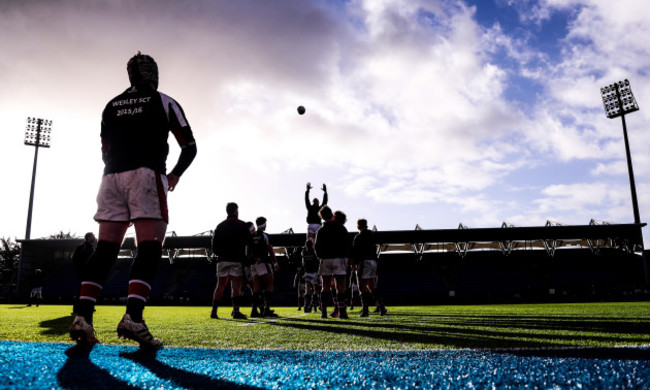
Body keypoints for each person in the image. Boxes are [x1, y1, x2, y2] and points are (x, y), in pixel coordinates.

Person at [69, 52, 197, 350]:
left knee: (104, 251)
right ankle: (133, 319)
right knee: (150, 248)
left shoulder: (111, 105)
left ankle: (82, 317)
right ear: (154, 75)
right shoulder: (165, 101)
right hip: (145, 176)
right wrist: (174, 175)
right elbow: (189, 146)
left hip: (110, 177)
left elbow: (104, 149)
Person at [211, 202, 250, 320]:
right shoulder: (242, 225)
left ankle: (214, 311)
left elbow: (214, 245)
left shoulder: (220, 225)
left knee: (220, 285)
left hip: (222, 259)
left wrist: (221, 254)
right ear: (236, 211)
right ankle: (236, 311)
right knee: (235, 286)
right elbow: (248, 243)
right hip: (236, 259)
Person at [314, 205, 350, 319]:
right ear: (332, 214)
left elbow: (317, 247)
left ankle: (323, 312)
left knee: (325, 287)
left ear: (322, 217)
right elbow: (347, 244)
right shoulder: (341, 228)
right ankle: (342, 312)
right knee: (340, 286)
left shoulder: (321, 230)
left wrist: (321, 257)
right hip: (339, 259)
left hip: (325, 260)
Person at [352, 219, 387, 317]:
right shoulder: (372, 235)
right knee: (371, 286)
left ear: (358, 226)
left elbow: (356, 251)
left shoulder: (358, 237)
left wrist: (354, 263)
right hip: (372, 262)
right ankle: (382, 307)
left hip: (363, 262)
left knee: (362, 287)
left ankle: (365, 310)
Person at [249, 216, 280, 318]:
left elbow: (248, 252)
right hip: (264, 263)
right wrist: (275, 263)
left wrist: (254, 259)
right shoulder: (265, 236)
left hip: (254, 264)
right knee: (269, 284)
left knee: (256, 288)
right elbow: (270, 250)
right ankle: (266, 309)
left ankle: (254, 310)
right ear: (264, 224)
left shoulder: (251, 236)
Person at [301, 239, 321, 313]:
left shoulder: (304, 252)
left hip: (307, 272)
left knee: (308, 289)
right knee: (316, 290)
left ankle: (306, 305)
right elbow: (318, 262)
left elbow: (303, 262)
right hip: (314, 272)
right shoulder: (314, 252)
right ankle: (313, 305)